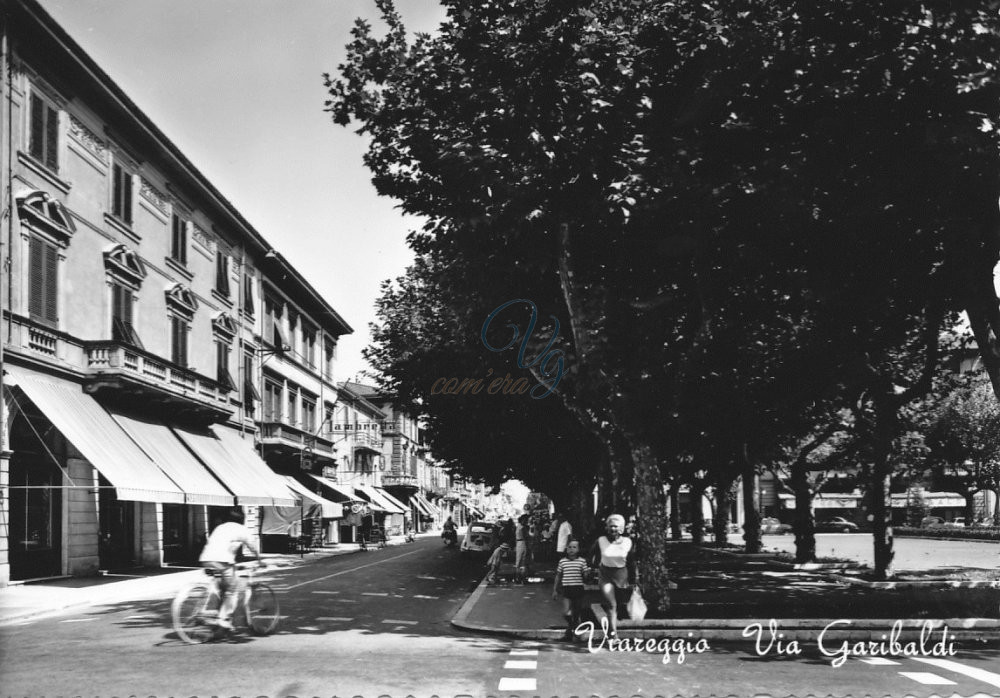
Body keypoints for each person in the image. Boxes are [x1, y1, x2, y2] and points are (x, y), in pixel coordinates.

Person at [198, 507, 260, 630]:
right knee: (233, 590)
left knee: (223, 589)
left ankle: (215, 617)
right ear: (242, 519)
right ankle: (223, 619)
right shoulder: (242, 529)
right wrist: (260, 559)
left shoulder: (220, 527)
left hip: (206, 559)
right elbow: (252, 546)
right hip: (221, 561)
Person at [589, 513, 636, 640]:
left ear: (621, 528)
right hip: (605, 575)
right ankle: (612, 635)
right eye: (610, 526)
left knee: (620, 605)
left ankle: (615, 622)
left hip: (622, 576)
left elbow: (632, 562)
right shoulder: (601, 541)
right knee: (611, 605)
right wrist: (592, 567)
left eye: (615, 526)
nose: (612, 529)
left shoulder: (627, 542)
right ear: (606, 528)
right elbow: (592, 555)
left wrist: (634, 580)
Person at [552, 538, 590, 641]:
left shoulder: (582, 561)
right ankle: (575, 626)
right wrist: (555, 590)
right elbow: (558, 576)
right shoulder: (562, 561)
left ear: (578, 549)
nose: (571, 549)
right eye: (569, 547)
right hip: (566, 589)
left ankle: (569, 634)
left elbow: (585, 576)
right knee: (566, 613)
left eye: (574, 547)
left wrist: (587, 573)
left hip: (578, 589)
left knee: (576, 613)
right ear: (566, 549)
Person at [514, 514, 530, 584]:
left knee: (519, 562)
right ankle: (521, 577)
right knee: (523, 561)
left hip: (519, 543)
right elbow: (526, 537)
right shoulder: (522, 528)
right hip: (522, 543)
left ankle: (518, 577)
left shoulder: (518, 527)